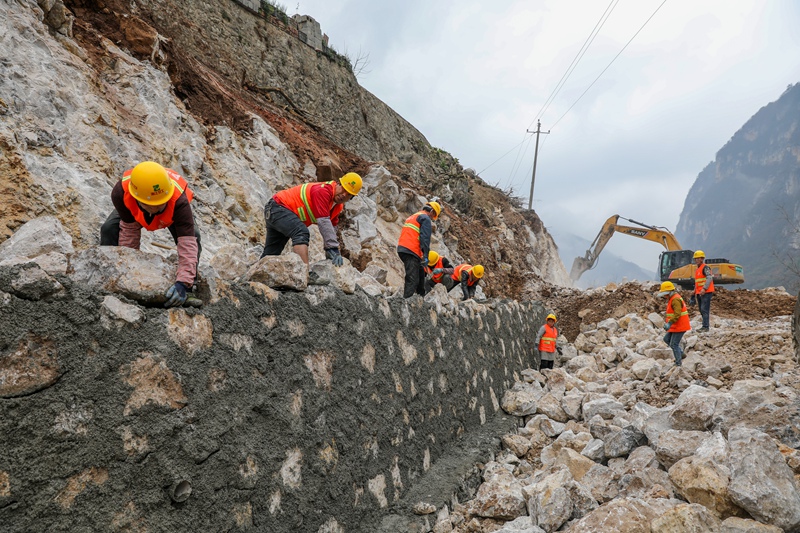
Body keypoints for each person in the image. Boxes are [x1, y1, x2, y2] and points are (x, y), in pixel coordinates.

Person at [100, 161, 201, 308]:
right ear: (138, 199)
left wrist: (183, 283)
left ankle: (188, 289)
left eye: (162, 203)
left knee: (195, 237)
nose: (159, 207)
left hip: (174, 213)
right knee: (109, 228)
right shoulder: (121, 193)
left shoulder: (179, 201)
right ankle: (107, 277)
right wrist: (128, 273)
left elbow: (187, 243)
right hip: (135, 212)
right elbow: (129, 233)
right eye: (153, 205)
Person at [260, 173, 362, 266]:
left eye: (348, 194)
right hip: (278, 207)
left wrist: (332, 251)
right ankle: (304, 273)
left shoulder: (337, 207)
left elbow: (331, 228)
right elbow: (324, 221)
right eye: (343, 189)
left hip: (278, 212)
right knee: (301, 232)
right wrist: (332, 248)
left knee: (272, 253)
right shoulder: (323, 191)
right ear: (338, 184)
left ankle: (258, 277)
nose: (344, 195)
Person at [397, 201, 441, 298]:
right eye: (433, 216)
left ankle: (421, 296)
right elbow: (425, 238)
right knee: (412, 279)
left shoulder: (414, 216)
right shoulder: (425, 218)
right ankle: (406, 302)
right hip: (411, 250)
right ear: (432, 211)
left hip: (403, 248)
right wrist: (425, 255)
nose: (432, 218)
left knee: (420, 273)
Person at [658, 281, 691, 366]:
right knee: (666, 339)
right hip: (675, 326)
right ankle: (681, 353)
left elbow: (677, 313)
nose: (664, 296)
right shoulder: (672, 298)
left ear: (669, 292)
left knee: (674, 344)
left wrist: (669, 323)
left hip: (680, 326)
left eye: (665, 294)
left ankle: (678, 363)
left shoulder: (675, 299)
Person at [691, 250, 715, 332]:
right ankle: (704, 325)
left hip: (706, 292)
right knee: (701, 310)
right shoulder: (697, 270)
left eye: (698, 258)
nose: (696, 260)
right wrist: (694, 291)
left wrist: (704, 288)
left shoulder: (705, 268)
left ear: (702, 259)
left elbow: (709, 278)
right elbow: (697, 282)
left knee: (704, 309)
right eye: (695, 259)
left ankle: (705, 327)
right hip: (699, 292)